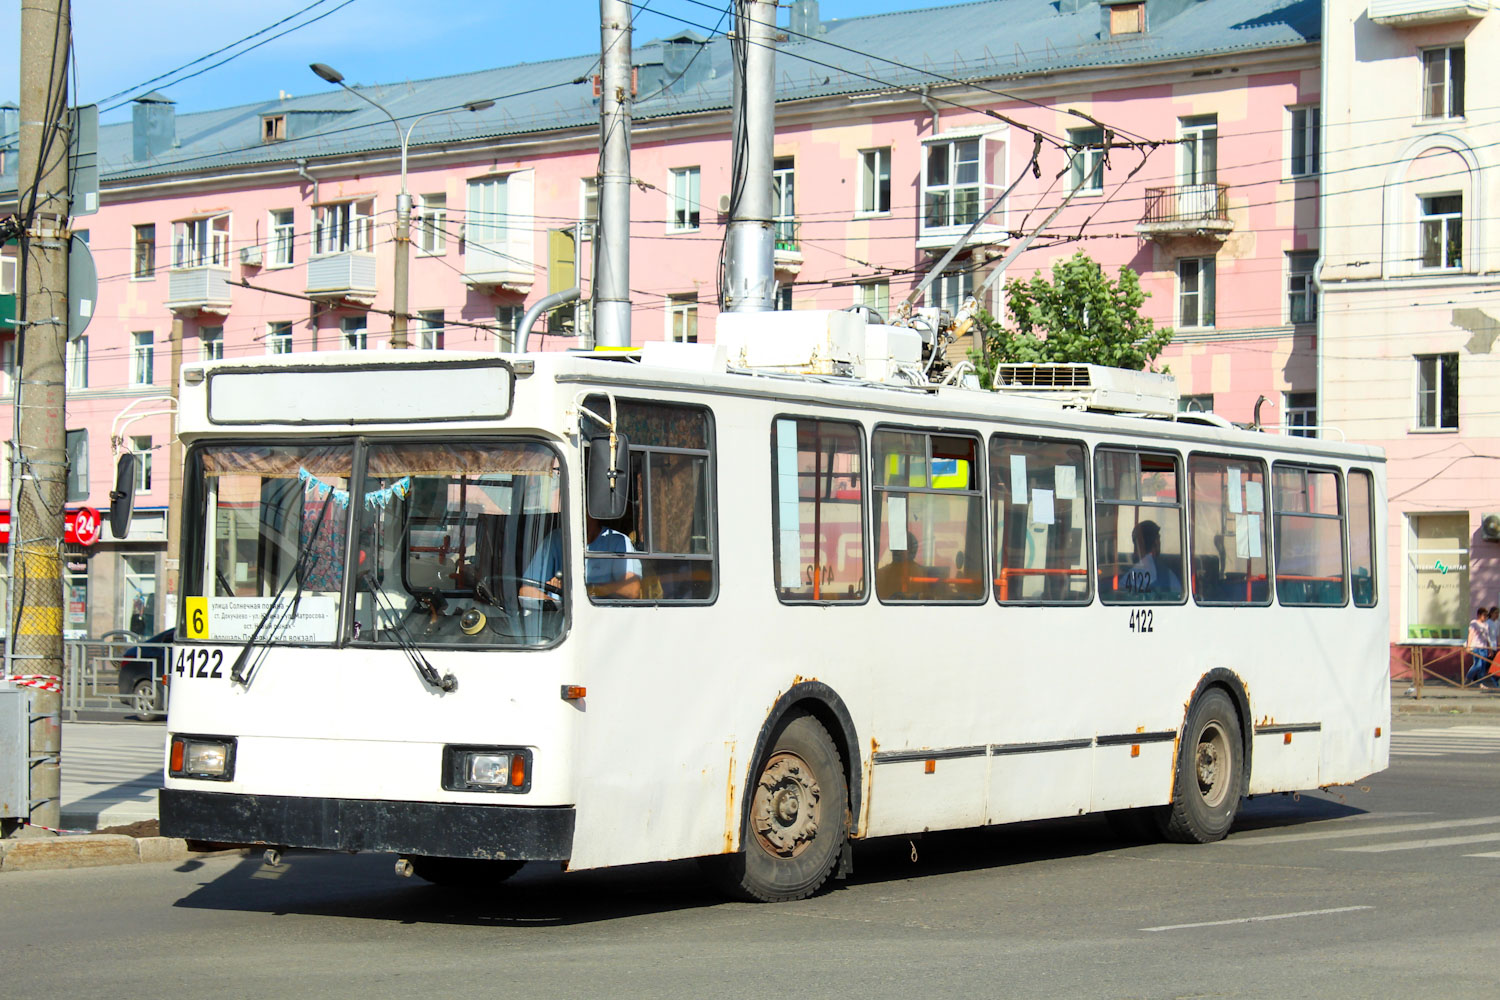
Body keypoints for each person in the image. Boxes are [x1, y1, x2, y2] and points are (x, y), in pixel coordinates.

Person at [520, 514, 642, 601]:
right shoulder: (555, 540)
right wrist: (556, 603)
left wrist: (586, 589)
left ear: (594, 511)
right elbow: (526, 591)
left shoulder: (618, 542)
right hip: (563, 623)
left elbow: (632, 589)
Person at [1121, 519, 1181, 597]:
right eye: (1159, 539)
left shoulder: (1128, 577)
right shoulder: (1168, 576)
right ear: (1156, 542)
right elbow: (1178, 597)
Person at [1466, 607, 1496, 687]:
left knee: (1483, 666)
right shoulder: (1474, 623)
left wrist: (1489, 649)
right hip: (1476, 647)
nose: (1485, 617)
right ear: (1479, 615)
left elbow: (1487, 637)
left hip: (1484, 648)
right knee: (1478, 665)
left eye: (1486, 615)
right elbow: (1471, 634)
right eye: (1484, 615)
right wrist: (1468, 646)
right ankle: (1468, 678)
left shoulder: (1486, 624)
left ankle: (1480, 683)